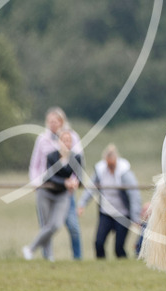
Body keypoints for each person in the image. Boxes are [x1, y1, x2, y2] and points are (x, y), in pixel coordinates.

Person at [29, 107, 84, 259]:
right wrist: (36, 182)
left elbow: (78, 161)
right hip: (48, 187)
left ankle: (78, 258)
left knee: (72, 225)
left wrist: (74, 181)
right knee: (46, 225)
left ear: (62, 121)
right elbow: (36, 163)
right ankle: (48, 257)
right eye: (50, 121)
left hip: (66, 190)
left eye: (56, 121)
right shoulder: (42, 140)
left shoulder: (72, 136)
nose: (53, 124)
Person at [78, 144, 141, 259]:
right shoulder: (100, 171)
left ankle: (123, 265)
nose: (110, 167)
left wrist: (135, 216)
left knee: (118, 247)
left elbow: (134, 195)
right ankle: (101, 265)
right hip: (106, 213)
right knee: (99, 242)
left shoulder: (124, 172)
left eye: (112, 164)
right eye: (108, 164)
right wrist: (82, 204)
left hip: (122, 214)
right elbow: (91, 188)